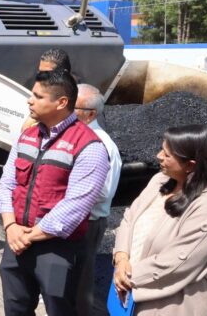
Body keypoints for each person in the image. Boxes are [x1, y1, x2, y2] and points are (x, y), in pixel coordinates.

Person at [0, 69, 109, 315]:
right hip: (16, 240)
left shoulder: (89, 146)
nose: (29, 100)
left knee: (60, 310)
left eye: (38, 96)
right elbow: (7, 183)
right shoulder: (27, 136)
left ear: (61, 102)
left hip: (57, 248)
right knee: (15, 308)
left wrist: (28, 236)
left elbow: (75, 206)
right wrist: (10, 226)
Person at [113, 125, 207, 315]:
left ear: (190, 165)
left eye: (167, 155)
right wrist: (121, 258)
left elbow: (180, 261)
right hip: (135, 293)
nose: (159, 156)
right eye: (162, 149)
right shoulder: (159, 180)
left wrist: (128, 276)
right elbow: (130, 217)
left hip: (179, 306)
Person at [74, 84, 122, 316]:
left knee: (80, 282)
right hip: (70, 220)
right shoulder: (72, 135)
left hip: (88, 222)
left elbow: (103, 191)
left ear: (90, 114)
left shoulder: (103, 145)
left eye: (73, 106)